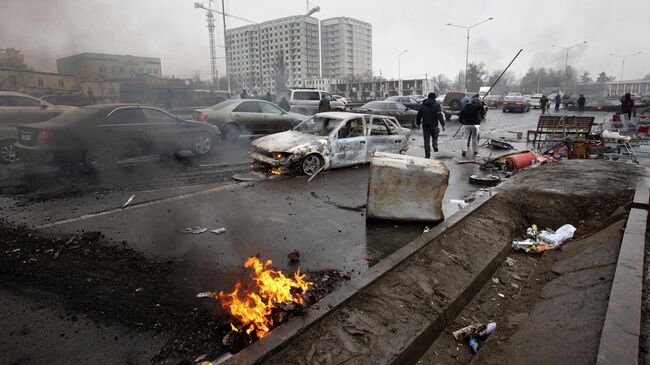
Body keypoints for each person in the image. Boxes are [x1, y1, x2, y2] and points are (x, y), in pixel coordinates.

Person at [416, 92, 446, 158]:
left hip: (425, 125)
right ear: (434, 98)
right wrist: (443, 124)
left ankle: (427, 155)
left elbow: (419, 115)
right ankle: (435, 145)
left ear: (428, 97)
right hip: (434, 125)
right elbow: (439, 115)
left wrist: (418, 124)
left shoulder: (423, 105)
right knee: (435, 135)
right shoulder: (436, 105)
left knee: (426, 140)